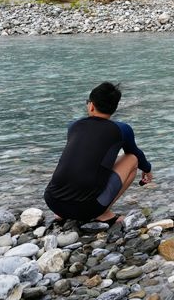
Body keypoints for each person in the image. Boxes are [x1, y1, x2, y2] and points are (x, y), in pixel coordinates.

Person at [44, 82, 153, 225]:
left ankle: (62, 213)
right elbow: (135, 154)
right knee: (131, 159)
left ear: (91, 105)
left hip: (52, 201)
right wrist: (147, 169)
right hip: (88, 209)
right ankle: (103, 213)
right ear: (114, 108)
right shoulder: (122, 129)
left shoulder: (74, 126)